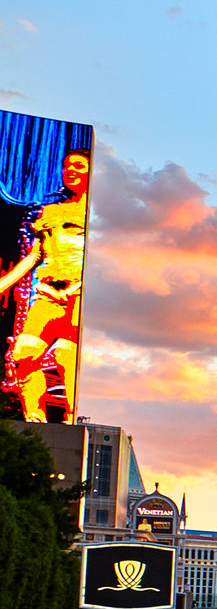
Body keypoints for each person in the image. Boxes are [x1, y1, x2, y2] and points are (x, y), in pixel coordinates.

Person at [0, 147, 89, 422]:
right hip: (48, 293)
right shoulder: (51, 211)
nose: (70, 171)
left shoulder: (97, 214)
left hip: (78, 294)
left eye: (78, 166)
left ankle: (70, 423)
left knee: (66, 357)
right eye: (66, 166)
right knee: (24, 354)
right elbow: (35, 256)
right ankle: (35, 422)